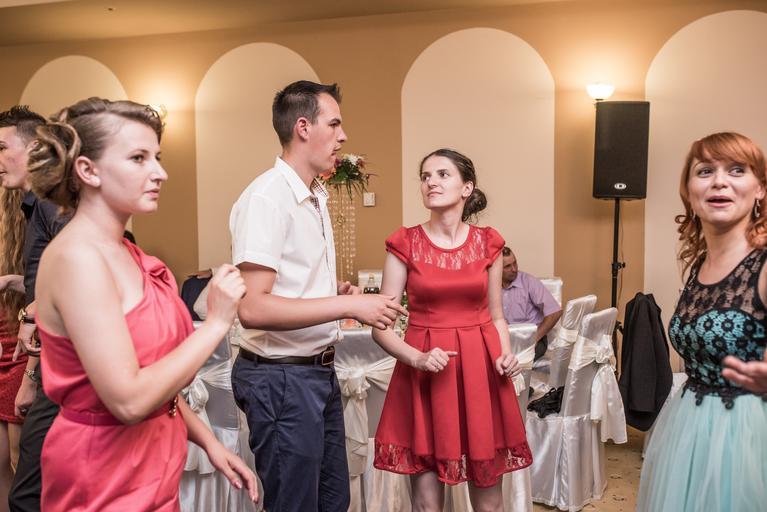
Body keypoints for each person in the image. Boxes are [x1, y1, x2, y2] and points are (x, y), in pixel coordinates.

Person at [28, 97, 257, 510]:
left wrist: (209, 442)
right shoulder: (76, 259)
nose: (160, 172)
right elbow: (129, 400)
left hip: (154, 459)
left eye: (157, 157)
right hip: (103, 470)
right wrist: (216, 323)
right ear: (88, 170)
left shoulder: (130, 255)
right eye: (139, 158)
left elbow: (157, 382)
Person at [230, 80, 406, 512]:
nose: (343, 137)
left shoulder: (313, 196)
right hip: (281, 378)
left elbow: (289, 287)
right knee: (295, 504)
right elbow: (252, 307)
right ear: (303, 128)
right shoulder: (267, 198)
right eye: (335, 124)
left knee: (332, 500)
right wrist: (349, 305)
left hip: (316, 373)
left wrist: (331, 292)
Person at [372, 148, 532, 512]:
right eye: (425, 176)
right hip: (424, 375)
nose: (431, 182)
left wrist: (505, 354)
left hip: (481, 373)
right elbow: (381, 328)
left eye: (443, 174)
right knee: (427, 505)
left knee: (489, 504)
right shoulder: (404, 243)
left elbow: (496, 316)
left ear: (467, 188)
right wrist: (418, 358)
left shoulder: (488, 243)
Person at [637, 132, 767, 511]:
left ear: (760, 189)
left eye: (737, 170)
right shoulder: (698, 265)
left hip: (746, 438)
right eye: (705, 171)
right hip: (688, 428)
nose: (719, 181)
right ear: (690, 193)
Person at [0, 105, 66, 512]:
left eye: (1, 147)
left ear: (34, 149)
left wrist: (29, 313)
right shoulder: (34, 206)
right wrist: (19, 283)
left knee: (28, 494)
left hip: (60, 367)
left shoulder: (49, 204)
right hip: (49, 367)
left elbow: (71, 278)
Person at [0, 188, 29, 511]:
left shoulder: (37, 215)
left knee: (18, 459)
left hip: (22, 347)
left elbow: (45, 286)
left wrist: (9, 280)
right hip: (2, 339)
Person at [501, 246, 562, 360]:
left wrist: (534, 338)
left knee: (513, 362)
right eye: (507, 266)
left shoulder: (529, 281)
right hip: (503, 340)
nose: (514, 269)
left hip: (531, 339)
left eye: (515, 263)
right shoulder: (490, 286)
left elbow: (555, 312)